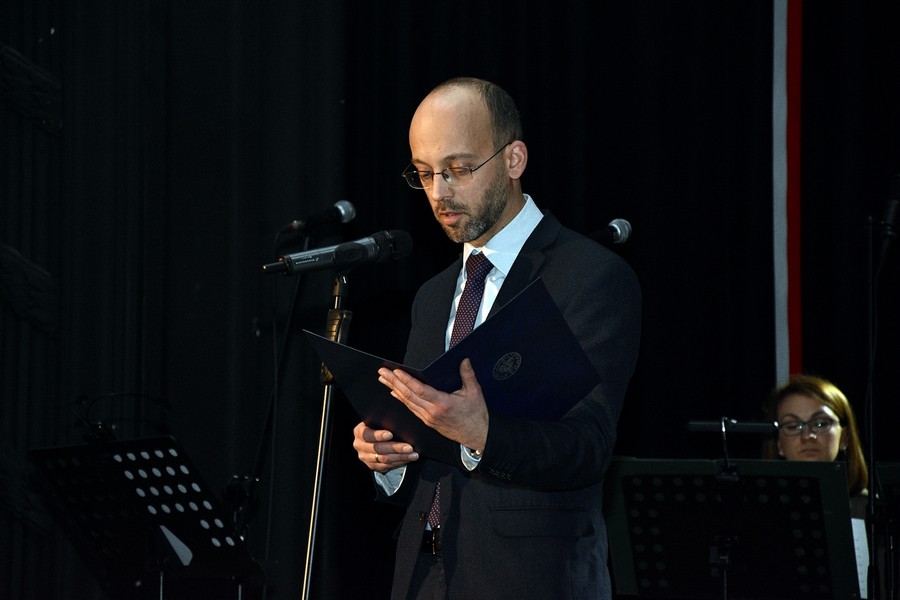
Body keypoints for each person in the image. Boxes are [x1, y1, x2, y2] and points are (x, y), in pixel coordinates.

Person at [351, 77, 641, 600]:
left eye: (459, 169)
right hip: (421, 577)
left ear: (513, 159)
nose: (439, 193)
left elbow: (588, 446)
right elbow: (428, 449)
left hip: (531, 580)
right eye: (424, 173)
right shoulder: (433, 295)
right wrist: (389, 457)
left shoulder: (588, 276)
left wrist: (483, 434)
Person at [762, 373, 868, 514]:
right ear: (778, 443)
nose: (807, 436)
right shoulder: (760, 509)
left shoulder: (872, 509)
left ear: (844, 437)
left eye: (820, 424)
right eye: (793, 426)